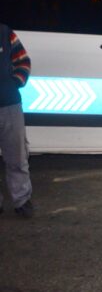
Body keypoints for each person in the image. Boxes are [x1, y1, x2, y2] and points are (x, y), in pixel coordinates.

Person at [0, 23, 33, 218]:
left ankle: (22, 200)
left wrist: (13, 84)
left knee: (17, 157)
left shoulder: (5, 33)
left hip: (9, 105)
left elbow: (24, 61)